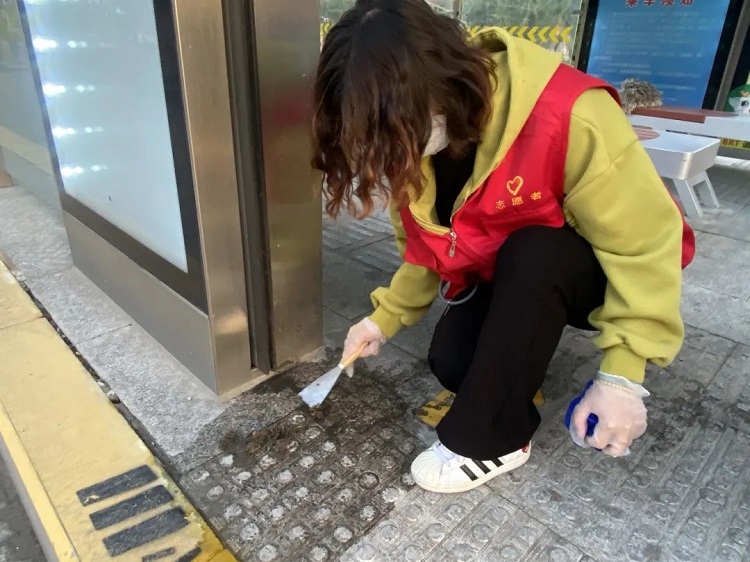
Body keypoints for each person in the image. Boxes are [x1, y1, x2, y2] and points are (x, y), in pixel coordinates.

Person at [311, 0, 695, 494]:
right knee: (454, 363)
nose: (389, 155)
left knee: (536, 251)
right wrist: (381, 320)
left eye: (393, 134)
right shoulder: (414, 147)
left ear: (439, 85)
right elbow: (424, 249)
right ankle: (514, 367)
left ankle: (492, 440)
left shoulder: (568, 111)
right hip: (507, 271)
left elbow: (644, 244)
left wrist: (623, 374)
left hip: (587, 272)